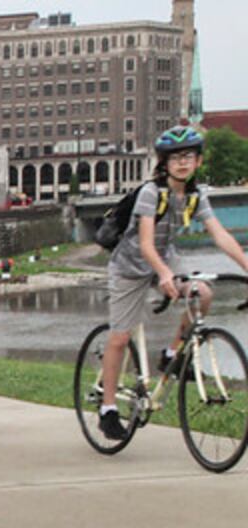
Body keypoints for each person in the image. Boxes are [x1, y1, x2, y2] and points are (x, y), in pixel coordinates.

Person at [97, 125, 248, 439]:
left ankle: (171, 355)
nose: (182, 163)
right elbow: (147, 243)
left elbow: (220, 235)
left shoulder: (196, 194)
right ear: (164, 163)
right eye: (175, 157)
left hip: (166, 260)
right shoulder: (152, 193)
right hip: (130, 266)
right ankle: (108, 408)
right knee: (119, 339)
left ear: (198, 161)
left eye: (188, 156)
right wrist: (164, 274)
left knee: (203, 294)